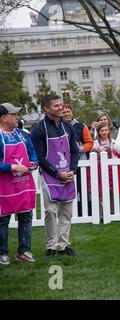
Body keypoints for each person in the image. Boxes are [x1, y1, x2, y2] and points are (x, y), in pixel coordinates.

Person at [31, 94, 79, 257]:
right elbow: (40, 156)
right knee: (50, 211)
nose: (61, 108)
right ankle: (51, 246)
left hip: (68, 174)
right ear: (46, 108)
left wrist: (72, 170)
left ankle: (63, 245)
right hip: (50, 176)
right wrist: (58, 174)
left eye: (61, 105)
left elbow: (74, 151)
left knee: (66, 212)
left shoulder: (68, 127)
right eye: (57, 105)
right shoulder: (39, 129)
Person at [0, 103, 38, 265]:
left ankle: (24, 251)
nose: (17, 117)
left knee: (26, 217)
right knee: (3, 220)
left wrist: (34, 163)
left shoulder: (23, 135)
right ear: (3, 117)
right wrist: (12, 167)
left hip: (23, 184)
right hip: (4, 186)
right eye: (13, 114)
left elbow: (32, 153)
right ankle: (2, 253)